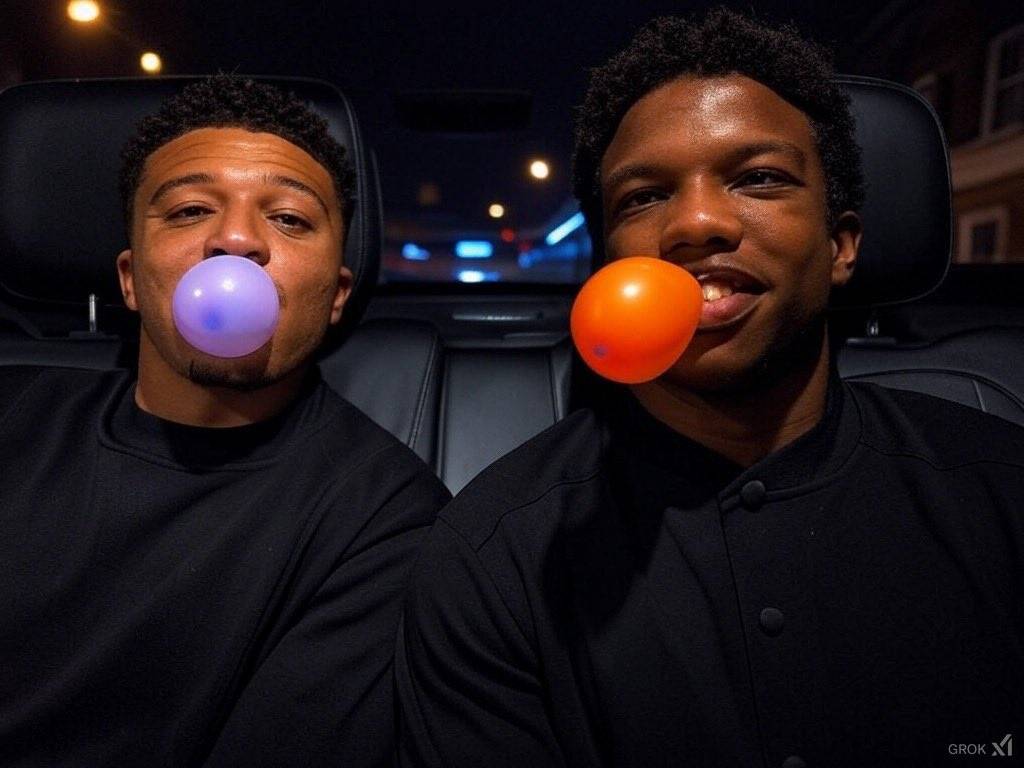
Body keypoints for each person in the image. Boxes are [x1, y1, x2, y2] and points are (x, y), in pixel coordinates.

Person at [396, 9, 1024, 767]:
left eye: (759, 178)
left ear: (841, 246)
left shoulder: (1002, 489)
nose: (696, 222)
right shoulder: (492, 559)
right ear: (608, 265)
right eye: (643, 197)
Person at [0, 75, 450, 767]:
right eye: (188, 211)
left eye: (290, 219)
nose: (236, 239)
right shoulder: (15, 412)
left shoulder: (389, 521)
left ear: (336, 295)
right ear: (129, 279)